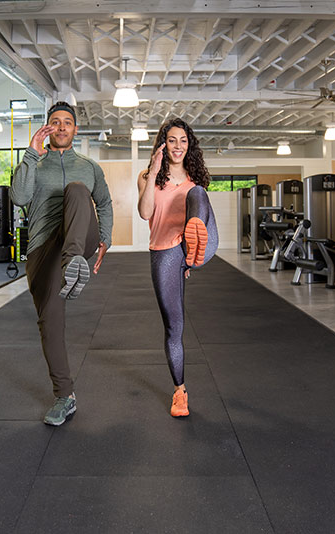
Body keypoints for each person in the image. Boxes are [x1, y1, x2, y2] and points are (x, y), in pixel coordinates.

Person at [10, 101, 113, 426]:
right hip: (43, 250)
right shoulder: (34, 165)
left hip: (78, 243)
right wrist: (30, 152)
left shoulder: (89, 166)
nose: (62, 126)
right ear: (48, 128)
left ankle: (72, 263)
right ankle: (64, 396)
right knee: (50, 322)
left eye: (68, 122)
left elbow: (105, 203)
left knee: (77, 191)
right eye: (56, 122)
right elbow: (18, 198)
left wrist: (105, 239)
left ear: (75, 129)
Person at [137, 117, 218, 418]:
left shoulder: (195, 181)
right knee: (174, 326)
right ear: (163, 143)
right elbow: (146, 212)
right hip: (164, 253)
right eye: (172, 140)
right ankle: (179, 391)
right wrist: (155, 170)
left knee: (198, 194)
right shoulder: (148, 176)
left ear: (190, 145)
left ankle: (195, 244)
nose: (178, 146)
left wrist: (190, 243)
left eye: (183, 141)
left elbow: (198, 194)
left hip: (187, 246)